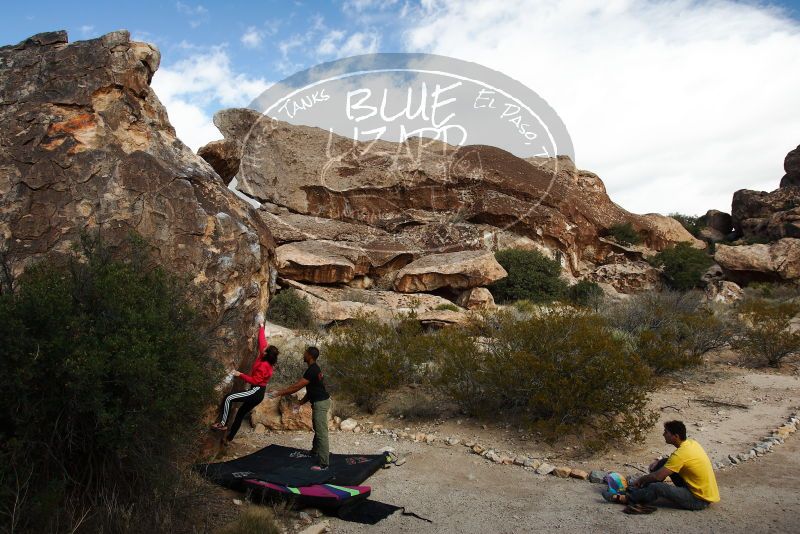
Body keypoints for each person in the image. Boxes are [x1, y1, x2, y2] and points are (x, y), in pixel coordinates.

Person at [602, 420, 720, 511]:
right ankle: (642, 492)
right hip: (698, 490)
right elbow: (669, 463)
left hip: (698, 500)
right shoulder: (691, 444)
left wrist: (641, 479)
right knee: (664, 463)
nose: (663, 435)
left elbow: (658, 476)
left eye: (666, 432)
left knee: (658, 486)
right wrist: (659, 463)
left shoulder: (681, 454)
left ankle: (627, 499)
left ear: (676, 436)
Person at [211, 323, 277, 443]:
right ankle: (228, 439)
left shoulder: (264, 366)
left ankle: (222, 423)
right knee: (240, 413)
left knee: (229, 397)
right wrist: (261, 327)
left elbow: (255, 381)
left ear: (266, 354)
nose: (264, 348)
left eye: (266, 349)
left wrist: (239, 374)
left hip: (256, 392)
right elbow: (262, 341)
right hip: (256, 392)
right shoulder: (265, 356)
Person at [269, 346, 331, 470]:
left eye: (305, 353)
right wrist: (301, 402)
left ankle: (324, 464)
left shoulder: (312, 370)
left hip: (321, 403)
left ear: (310, 356)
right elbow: (312, 390)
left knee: (321, 433)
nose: (303, 354)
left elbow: (296, 387)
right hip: (320, 401)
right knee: (318, 428)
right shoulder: (313, 369)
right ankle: (314, 452)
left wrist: (278, 392)